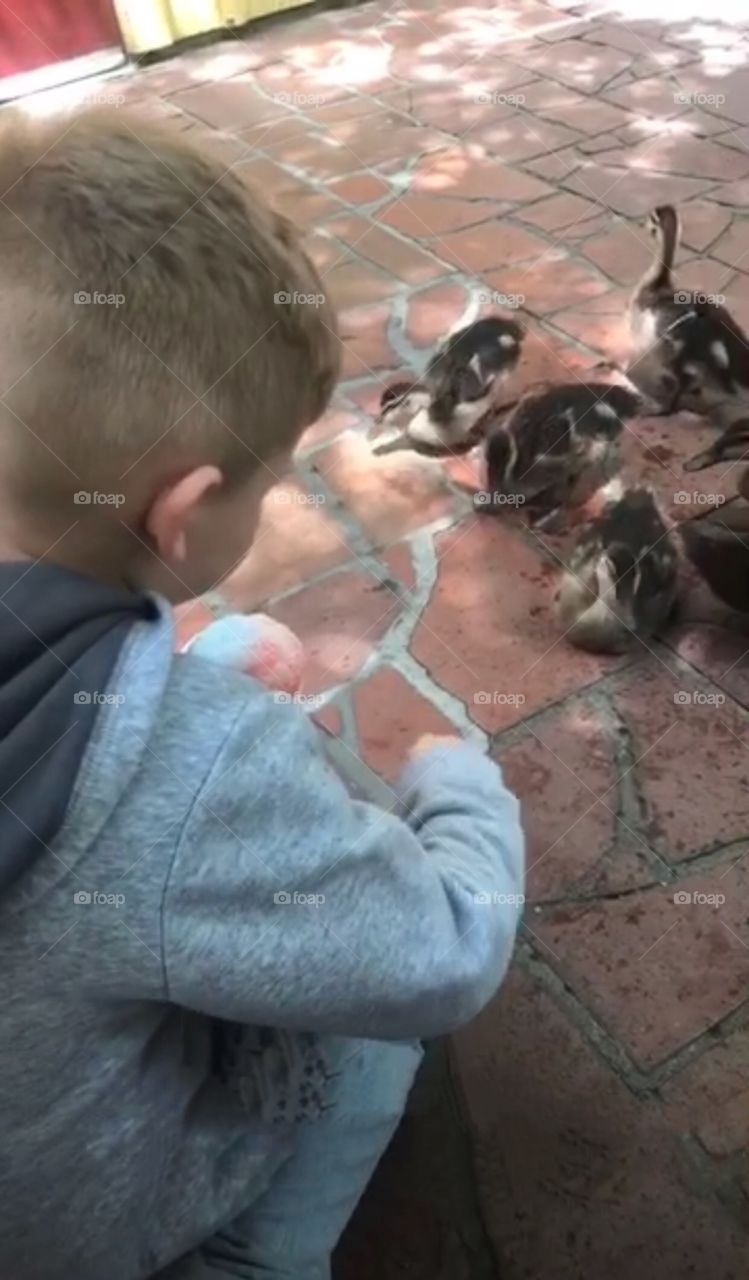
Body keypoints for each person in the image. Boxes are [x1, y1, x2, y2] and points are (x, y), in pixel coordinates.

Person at [0, 105, 525, 1280]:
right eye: (270, 478)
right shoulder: (194, 778)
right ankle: (255, 1258)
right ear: (180, 518)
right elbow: (440, 955)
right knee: (369, 1037)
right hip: (83, 1228)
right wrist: (457, 787)